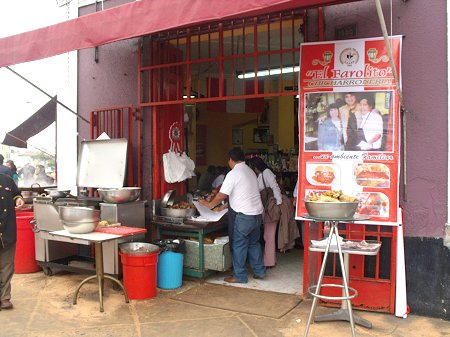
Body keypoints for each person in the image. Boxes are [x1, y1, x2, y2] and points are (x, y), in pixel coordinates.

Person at [199, 147, 265, 283]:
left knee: (239, 245)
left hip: (244, 216)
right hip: (257, 214)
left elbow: (222, 195)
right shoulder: (250, 172)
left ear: (231, 160)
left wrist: (209, 205)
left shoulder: (233, 173)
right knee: (254, 244)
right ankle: (260, 272)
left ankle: (240, 276)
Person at [248, 157, 282, 268]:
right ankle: (269, 260)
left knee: (269, 235)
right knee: (268, 235)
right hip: (266, 207)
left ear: (255, 167)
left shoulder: (267, 173)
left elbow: (275, 187)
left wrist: (278, 204)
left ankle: (269, 261)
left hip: (271, 207)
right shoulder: (261, 175)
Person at [0, 173, 25, 310]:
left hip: (7, 229)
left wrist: (18, 199)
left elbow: (16, 194)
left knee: (7, 266)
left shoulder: (6, 179)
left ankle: (5, 297)